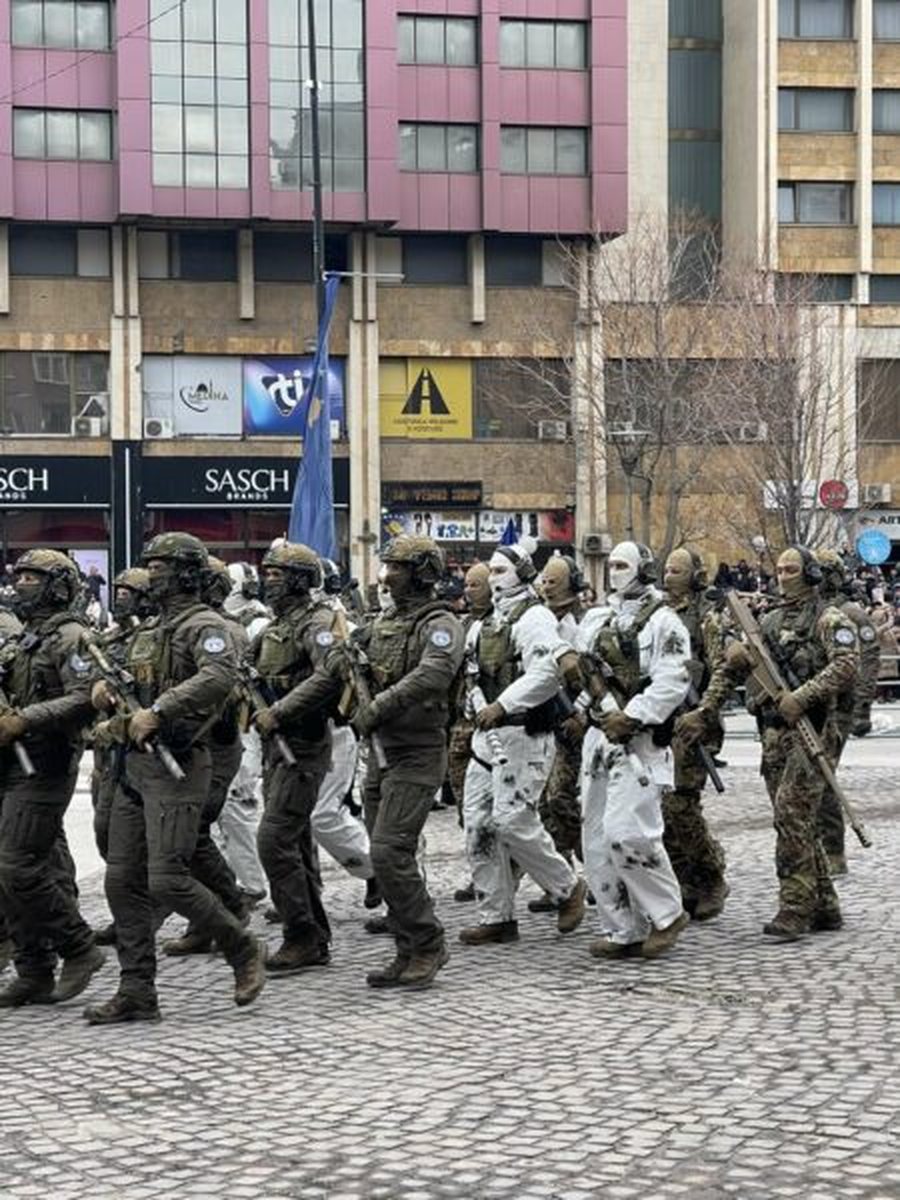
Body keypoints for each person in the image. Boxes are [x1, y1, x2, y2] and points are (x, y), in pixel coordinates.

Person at [260, 535, 464, 990]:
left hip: (417, 751)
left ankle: (428, 942)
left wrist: (378, 706)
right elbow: (332, 673)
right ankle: (407, 947)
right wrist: (286, 706)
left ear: (423, 572)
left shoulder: (441, 622)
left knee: (390, 850)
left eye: (396, 567)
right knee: (385, 851)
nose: (386, 575)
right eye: (386, 565)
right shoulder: (382, 623)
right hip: (380, 752)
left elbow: (433, 674)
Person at [86, 533, 267, 1024]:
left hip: (180, 765)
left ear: (187, 572)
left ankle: (241, 945)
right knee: (122, 881)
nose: (153, 574)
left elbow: (217, 677)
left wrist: (161, 710)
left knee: (167, 879)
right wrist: (105, 689)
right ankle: (137, 989)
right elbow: (128, 674)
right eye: (151, 565)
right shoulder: (151, 628)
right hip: (134, 767)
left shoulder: (206, 625)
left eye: (163, 566)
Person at [725, 546, 858, 941]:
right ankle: (825, 903)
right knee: (795, 819)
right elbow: (749, 665)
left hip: (814, 729)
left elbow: (846, 665)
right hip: (775, 731)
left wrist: (801, 696)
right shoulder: (767, 620)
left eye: (792, 569)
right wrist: (737, 658)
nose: (783, 576)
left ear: (812, 574)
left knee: (791, 811)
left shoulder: (829, 618)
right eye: (779, 569)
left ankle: (795, 906)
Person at [459, 541, 587, 947]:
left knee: (513, 819)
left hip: (524, 734)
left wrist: (503, 704)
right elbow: (471, 676)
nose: (493, 580)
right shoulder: (483, 624)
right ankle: (496, 915)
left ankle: (567, 888)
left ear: (520, 573)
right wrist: (477, 702)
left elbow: (548, 672)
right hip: (487, 734)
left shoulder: (533, 618)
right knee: (479, 824)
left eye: (501, 572)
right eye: (490, 572)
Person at [576, 541, 692, 960]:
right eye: (610, 565)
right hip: (599, 738)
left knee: (628, 832)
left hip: (639, 742)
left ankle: (666, 914)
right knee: (594, 839)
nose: (615, 571)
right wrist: (581, 712)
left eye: (623, 564)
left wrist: (634, 715)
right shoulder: (597, 618)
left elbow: (672, 679)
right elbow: (580, 673)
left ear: (644, 568)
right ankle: (622, 928)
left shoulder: (664, 622)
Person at [0, 550, 105, 1007]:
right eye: (19, 575)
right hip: (11, 763)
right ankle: (33, 968)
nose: (21, 583)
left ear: (59, 585)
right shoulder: (25, 638)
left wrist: (25, 719)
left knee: (17, 865)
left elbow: (85, 698)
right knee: (6, 872)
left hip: (45, 764)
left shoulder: (72, 637)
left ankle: (77, 946)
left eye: (32, 577)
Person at [244, 542, 346, 976]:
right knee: (294, 840)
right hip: (275, 747)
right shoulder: (273, 626)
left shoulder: (318, 622)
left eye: (277, 574)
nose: (269, 581)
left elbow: (329, 675)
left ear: (302, 580)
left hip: (302, 743)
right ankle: (310, 934)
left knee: (274, 839)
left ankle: (302, 935)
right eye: (266, 574)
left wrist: (280, 710)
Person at [161, 556, 251, 956]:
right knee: (186, 834)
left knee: (193, 831)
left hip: (216, 741)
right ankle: (207, 916)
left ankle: (228, 905)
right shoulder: (177, 626)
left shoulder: (222, 629)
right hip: (185, 741)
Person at [87, 566, 157, 947]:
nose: (120, 596)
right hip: (106, 753)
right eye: (117, 589)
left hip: (138, 750)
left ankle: (136, 915)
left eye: (129, 590)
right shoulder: (110, 639)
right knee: (103, 833)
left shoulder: (153, 637)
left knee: (132, 846)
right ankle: (127, 912)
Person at [661, 548, 730, 920]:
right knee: (661, 807)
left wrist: (706, 711)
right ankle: (682, 879)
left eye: (678, 570)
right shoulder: (656, 612)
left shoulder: (708, 615)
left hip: (693, 720)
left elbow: (721, 668)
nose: (670, 576)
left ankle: (710, 876)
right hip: (661, 719)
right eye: (666, 569)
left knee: (682, 805)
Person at [815, 550, 881, 874]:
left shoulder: (851, 614)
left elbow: (869, 660)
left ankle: (833, 852)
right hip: (813, 704)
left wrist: (862, 706)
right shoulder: (811, 610)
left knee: (823, 777)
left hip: (840, 707)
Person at [532, 553, 589, 899]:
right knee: (545, 805)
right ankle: (562, 879)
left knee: (562, 799)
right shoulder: (538, 618)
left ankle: (596, 865)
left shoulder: (583, 622)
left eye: (554, 581)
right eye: (545, 580)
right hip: (543, 721)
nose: (547, 586)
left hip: (573, 722)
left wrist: (579, 712)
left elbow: (590, 676)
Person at [449, 561, 492, 904]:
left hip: (492, 723)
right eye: (467, 584)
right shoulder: (462, 624)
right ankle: (481, 869)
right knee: (467, 804)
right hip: (461, 724)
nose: (468, 590)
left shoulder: (500, 624)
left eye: (476, 585)